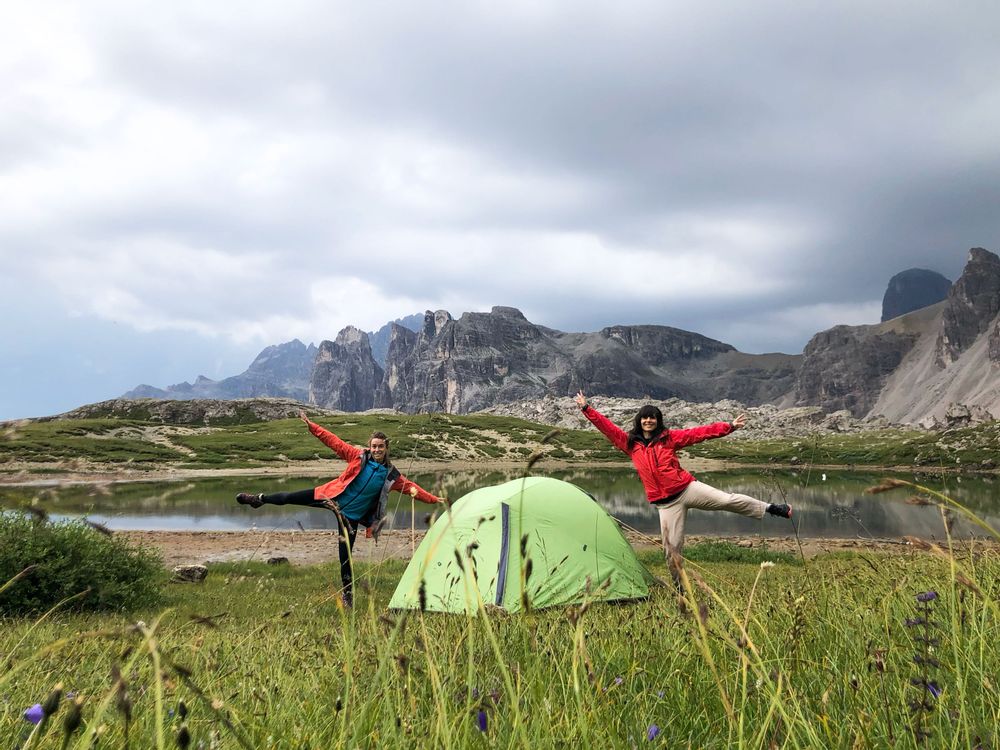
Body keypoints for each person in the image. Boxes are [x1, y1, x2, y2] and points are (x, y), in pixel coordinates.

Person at [236, 411, 444, 607]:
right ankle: (259, 499)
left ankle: (348, 595)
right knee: (290, 497)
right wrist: (312, 426)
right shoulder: (358, 456)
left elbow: (412, 489)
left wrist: (434, 499)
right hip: (331, 497)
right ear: (369, 447)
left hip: (350, 517)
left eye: (381, 447)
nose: (377, 450)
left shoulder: (392, 475)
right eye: (374, 446)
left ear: (386, 448)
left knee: (345, 556)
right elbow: (334, 442)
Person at [573, 391, 791, 570]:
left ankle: (773, 508)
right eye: (645, 417)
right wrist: (586, 409)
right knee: (671, 550)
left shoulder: (669, 438)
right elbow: (607, 428)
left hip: (687, 489)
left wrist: (729, 426)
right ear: (639, 421)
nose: (648, 420)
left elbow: (698, 433)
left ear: (657, 421)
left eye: (653, 417)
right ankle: (680, 591)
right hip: (666, 504)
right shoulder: (629, 443)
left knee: (726, 500)